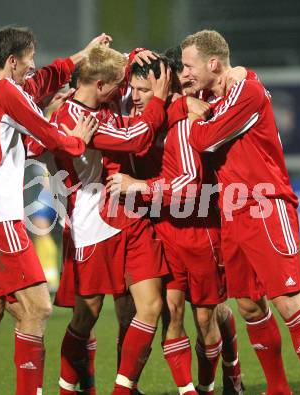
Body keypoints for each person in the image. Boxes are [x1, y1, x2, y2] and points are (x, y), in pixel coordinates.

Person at [183, 30, 300, 395]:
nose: (186, 73)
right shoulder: (209, 95)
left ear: (213, 63)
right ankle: (278, 388)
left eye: (190, 65)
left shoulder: (247, 90)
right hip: (233, 211)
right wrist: (193, 105)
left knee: (286, 302)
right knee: (248, 304)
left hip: (265, 205)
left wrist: (196, 117)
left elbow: (203, 139)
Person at [0, 26, 99, 395]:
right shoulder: (7, 91)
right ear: (11, 62)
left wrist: (78, 57)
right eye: (28, 62)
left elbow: (35, 93)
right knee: (39, 308)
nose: (32, 69)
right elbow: (46, 132)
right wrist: (76, 141)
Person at [108, 55, 245, 395]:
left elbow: (188, 185)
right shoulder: (145, 116)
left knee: (208, 317)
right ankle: (191, 389)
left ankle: (225, 375)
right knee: (172, 311)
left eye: (143, 89)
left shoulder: (184, 119)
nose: (135, 96)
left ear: (162, 84)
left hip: (200, 230)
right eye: (133, 89)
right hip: (162, 229)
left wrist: (137, 186)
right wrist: (131, 55)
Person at [51, 45, 170, 395]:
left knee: (149, 305)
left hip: (128, 214)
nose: (127, 91)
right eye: (121, 84)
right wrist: (159, 101)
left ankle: (122, 389)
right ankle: (66, 389)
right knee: (86, 316)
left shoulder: (99, 100)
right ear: (101, 84)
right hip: (92, 221)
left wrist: (137, 55)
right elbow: (133, 139)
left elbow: (125, 65)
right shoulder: (74, 119)